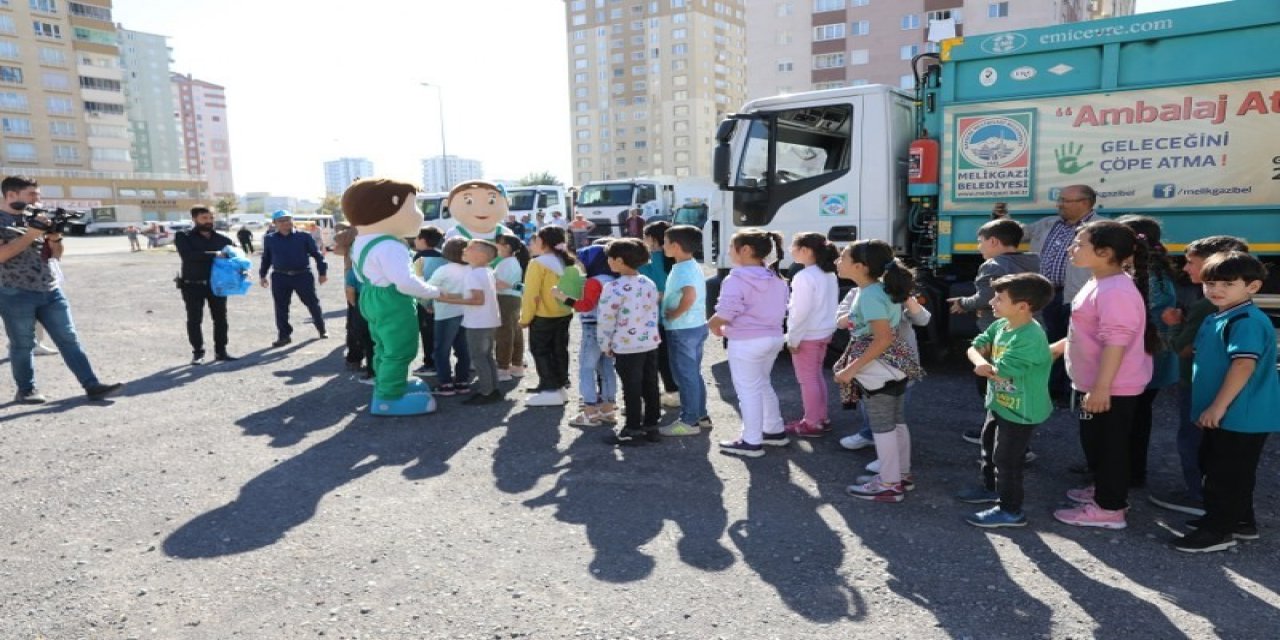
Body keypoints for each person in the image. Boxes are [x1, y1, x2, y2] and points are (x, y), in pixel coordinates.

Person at [1052, 220, 1156, 530]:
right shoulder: (1100, 281)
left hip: (1112, 387)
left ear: (1105, 252)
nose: (1072, 249)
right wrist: (1055, 349)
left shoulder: (1115, 289)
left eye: (1080, 244)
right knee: (1097, 442)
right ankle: (1103, 490)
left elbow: (1116, 341)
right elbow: (1086, 331)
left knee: (1110, 447)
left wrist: (1101, 389)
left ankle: (1110, 509)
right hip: (1098, 383)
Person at [1174, 251, 1280, 553]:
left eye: (1227, 283)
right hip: (1230, 413)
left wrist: (1218, 407)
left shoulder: (1245, 320)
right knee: (1225, 467)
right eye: (1210, 282)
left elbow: (1243, 365)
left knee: (1224, 473)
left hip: (1241, 414)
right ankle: (1240, 522)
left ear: (1253, 287)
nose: (1216, 290)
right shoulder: (1220, 315)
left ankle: (1217, 531)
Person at [1148, 235, 1250, 517]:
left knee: (1193, 440)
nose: (1186, 269)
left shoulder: (1207, 305)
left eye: (1192, 263)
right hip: (1216, 386)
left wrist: (1170, 327)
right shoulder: (1242, 306)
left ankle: (1198, 495)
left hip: (1197, 385)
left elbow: (1183, 349)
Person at [0, 175, 122, 403]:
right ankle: (26, 390)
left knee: (69, 339)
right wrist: (32, 234)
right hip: (14, 291)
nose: (38, 199)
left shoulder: (34, 217)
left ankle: (92, 385)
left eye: (38, 194)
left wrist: (55, 237)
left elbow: (56, 255)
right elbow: (2, 255)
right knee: (23, 344)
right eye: (32, 195)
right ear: (11, 195)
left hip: (50, 288)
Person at [956, 273, 1055, 528]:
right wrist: (981, 362)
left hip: (1022, 411)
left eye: (999, 299)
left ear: (1023, 306)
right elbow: (976, 346)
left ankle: (1011, 510)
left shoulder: (1030, 337)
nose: (992, 303)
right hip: (1000, 403)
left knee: (1007, 461)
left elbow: (1000, 370)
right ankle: (991, 489)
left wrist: (983, 364)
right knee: (988, 449)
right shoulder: (1001, 325)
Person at [835, 240, 924, 502]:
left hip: (879, 367)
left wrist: (850, 370)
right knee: (896, 422)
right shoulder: (879, 290)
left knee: (882, 426)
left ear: (861, 267)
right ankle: (901, 475)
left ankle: (888, 483)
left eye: (843, 257)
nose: (838, 261)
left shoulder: (871, 294)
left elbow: (882, 338)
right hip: (895, 364)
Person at [948, 218, 1041, 442]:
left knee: (994, 386)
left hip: (997, 334)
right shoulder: (1033, 261)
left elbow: (985, 298)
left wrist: (962, 302)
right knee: (1017, 387)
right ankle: (1017, 440)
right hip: (1026, 330)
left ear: (994, 241)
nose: (979, 247)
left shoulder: (993, 265)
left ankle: (997, 438)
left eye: (980, 242)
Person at [710, 229, 791, 458]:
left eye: (730, 246)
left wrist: (713, 324)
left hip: (747, 341)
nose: (728, 251)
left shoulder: (736, 277)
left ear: (745, 250)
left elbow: (726, 311)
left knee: (748, 391)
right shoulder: (776, 277)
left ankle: (751, 441)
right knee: (762, 384)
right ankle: (773, 430)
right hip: (774, 338)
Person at [1117, 216, 1180, 491]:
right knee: (1136, 416)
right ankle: (1124, 467)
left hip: (1143, 360)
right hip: (1148, 358)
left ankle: (1130, 472)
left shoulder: (1148, 275)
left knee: (1134, 417)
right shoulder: (1148, 270)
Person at [1028, 184, 1104, 399]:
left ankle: (1071, 389)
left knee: (1076, 342)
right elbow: (1018, 233)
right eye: (1059, 199)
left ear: (1085, 203)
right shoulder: (1048, 223)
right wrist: (1001, 218)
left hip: (1078, 295)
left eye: (1064, 200)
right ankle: (1051, 389)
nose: (1059, 204)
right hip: (1047, 294)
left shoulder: (1101, 227)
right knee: (1051, 339)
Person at [596, 238, 662, 445]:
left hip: (626, 344)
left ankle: (633, 428)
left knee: (631, 386)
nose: (608, 262)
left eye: (610, 258)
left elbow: (606, 319)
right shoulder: (648, 283)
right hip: (649, 341)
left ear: (619, 260)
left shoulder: (613, 287)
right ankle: (651, 425)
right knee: (650, 384)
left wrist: (605, 344)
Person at [781, 232, 839, 438]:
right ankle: (821, 418)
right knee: (816, 376)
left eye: (793, 247)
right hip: (824, 332)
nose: (791, 250)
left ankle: (812, 423)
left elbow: (799, 312)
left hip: (807, 335)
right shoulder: (829, 274)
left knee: (807, 379)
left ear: (805, 250)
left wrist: (792, 338)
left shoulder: (804, 276)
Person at [657, 224, 713, 436]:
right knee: (692, 374)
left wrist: (674, 313)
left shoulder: (681, 269)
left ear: (676, 246)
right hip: (695, 326)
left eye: (665, 242)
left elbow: (689, 295)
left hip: (682, 328)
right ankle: (700, 415)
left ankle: (689, 422)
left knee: (685, 376)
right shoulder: (691, 264)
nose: (663, 246)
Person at [555, 244, 618, 427]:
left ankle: (590, 411)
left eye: (581, 260)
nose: (579, 264)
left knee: (586, 367)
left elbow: (585, 306)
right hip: (611, 329)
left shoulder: (593, 282)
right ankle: (608, 409)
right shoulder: (613, 279)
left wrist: (562, 296)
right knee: (607, 368)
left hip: (592, 327)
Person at [437, 239, 504, 405]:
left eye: (469, 248)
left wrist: (450, 301)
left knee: (479, 357)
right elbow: (474, 297)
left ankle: (486, 392)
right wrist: (447, 296)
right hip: (489, 320)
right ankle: (493, 389)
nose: (464, 250)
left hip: (478, 323)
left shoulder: (474, 274)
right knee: (487, 356)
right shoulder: (486, 271)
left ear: (480, 255)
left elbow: (477, 300)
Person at [520, 226, 576, 407]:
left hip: (543, 315)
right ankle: (559, 386)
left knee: (541, 351)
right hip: (564, 313)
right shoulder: (566, 261)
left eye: (536, 240)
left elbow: (531, 295)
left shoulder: (537, 263)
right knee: (559, 350)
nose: (533, 243)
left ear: (543, 243)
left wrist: (525, 318)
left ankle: (550, 389)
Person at [174, 205, 236, 365]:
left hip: (217, 286)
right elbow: (188, 256)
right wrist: (216, 254)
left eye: (210, 218)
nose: (209, 221)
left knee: (221, 319)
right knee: (194, 320)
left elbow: (234, 257)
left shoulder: (223, 239)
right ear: (194, 219)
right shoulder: (183, 236)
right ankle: (198, 353)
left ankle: (221, 352)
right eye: (204, 218)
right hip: (192, 285)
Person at [258, 210, 328, 347]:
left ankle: (321, 329)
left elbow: (317, 255)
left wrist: (322, 273)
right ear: (275, 223)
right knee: (281, 307)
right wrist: (262, 275)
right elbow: (266, 258)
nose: (285, 223)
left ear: (292, 221)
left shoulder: (304, 236)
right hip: (280, 277)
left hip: (302, 275)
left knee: (312, 303)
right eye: (281, 220)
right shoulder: (270, 239)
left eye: (287, 219)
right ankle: (284, 336)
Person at [638, 221, 680, 406]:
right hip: (671, 317)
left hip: (655, 317)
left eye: (645, 236)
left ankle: (667, 392)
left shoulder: (654, 257)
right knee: (668, 358)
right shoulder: (673, 258)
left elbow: (659, 287)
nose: (643, 240)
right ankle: (673, 391)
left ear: (654, 240)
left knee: (656, 359)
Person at [426, 237, 472, 397]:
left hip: (446, 314)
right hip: (466, 313)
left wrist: (427, 304)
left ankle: (445, 384)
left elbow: (428, 289)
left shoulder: (444, 270)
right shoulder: (473, 269)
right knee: (463, 350)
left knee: (441, 350)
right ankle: (462, 381)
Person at [333, 226, 374, 380]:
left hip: (358, 284)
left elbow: (337, 247)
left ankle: (356, 359)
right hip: (356, 283)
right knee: (358, 327)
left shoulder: (361, 233)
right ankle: (356, 358)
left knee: (357, 326)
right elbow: (337, 245)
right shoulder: (360, 231)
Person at [412, 227, 446, 376]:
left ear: (423, 240)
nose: (414, 241)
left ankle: (430, 364)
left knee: (427, 335)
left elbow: (418, 282)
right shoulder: (444, 256)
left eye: (417, 238)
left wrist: (426, 304)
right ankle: (441, 363)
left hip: (425, 302)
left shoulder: (418, 257)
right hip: (444, 300)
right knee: (441, 335)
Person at [493, 235, 528, 380]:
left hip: (504, 299)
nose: (496, 247)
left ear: (507, 246)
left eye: (498, 244)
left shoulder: (506, 263)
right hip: (514, 299)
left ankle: (503, 368)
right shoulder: (513, 262)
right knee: (515, 331)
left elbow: (501, 284)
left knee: (504, 333)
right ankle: (516, 365)